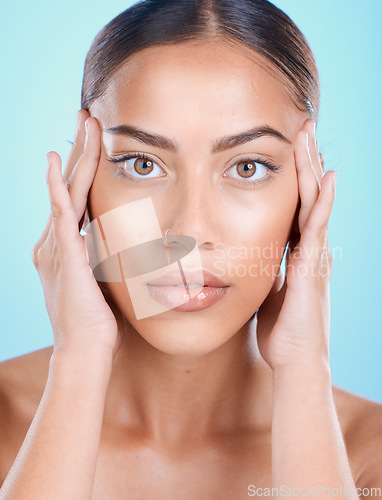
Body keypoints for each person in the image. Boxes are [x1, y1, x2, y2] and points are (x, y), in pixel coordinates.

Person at [0, 0, 381, 498]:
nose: (190, 228)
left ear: (307, 197)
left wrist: (304, 367)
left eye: (248, 167)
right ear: (81, 180)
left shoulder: (367, 457)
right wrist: (79, 361)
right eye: (141, 164)